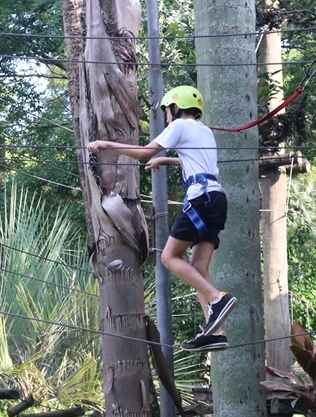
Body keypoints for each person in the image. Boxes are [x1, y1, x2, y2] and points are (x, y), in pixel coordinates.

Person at [87, 85, 236, 351]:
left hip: (200, 198)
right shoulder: (205, 131)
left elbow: (145, 152)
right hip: (216, 198)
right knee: (199, 267)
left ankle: (216, 298)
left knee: (169, 258)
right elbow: (196, 163)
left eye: (167, 110)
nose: (167, 115)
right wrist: (166, 161)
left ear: (175, 107)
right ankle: (216, 332)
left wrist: (107, 145)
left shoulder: (178, 127)